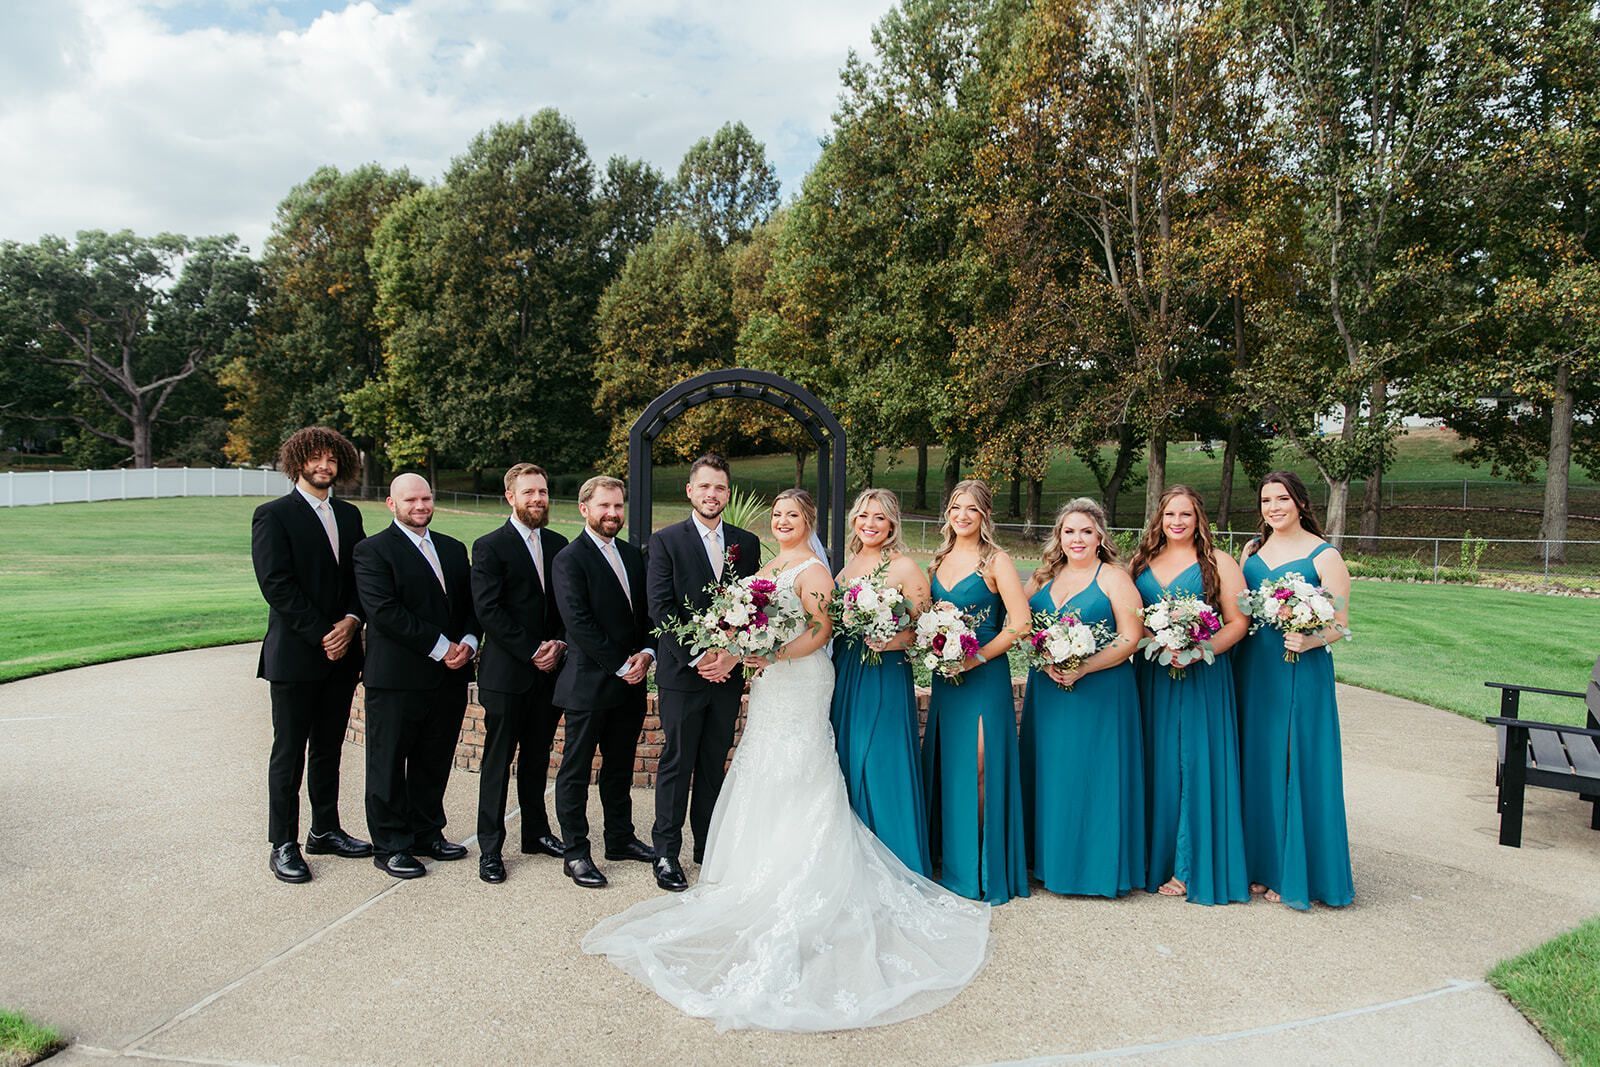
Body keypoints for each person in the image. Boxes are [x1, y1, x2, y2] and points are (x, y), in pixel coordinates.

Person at [583, 489, 990, 1033]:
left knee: (804, 770)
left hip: (801, 680)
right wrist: (736, 642)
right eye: (776, 514)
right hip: (774, 683)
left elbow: (821, 633)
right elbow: (766, 618)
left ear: (810, 521)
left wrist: (769, 651)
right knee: (763, 766)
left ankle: (807, 869)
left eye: (792, 514)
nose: (781, 521)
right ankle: (755, 866)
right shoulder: (774, 563)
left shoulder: (820, 570)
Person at [250, 426, 371, 883]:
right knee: (289, 751)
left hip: (340, 656)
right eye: (315, 459)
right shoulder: (273, 515)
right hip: (296, 655)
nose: (325, 466)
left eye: (332, 459)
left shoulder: (349, 515)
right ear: (297, 462)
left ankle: (325, 830)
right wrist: (325, 632)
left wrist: (353, 621)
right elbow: (276, 585)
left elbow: (362, 578)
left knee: (328, 749)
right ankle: (283, 841)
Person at [1236, 471, 1355, 909]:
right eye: (1266, 500)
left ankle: (1294, 870)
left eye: (1282, 499)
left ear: (1300, 503)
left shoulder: (1325, 556)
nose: (1273, 507)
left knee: (1294, 762)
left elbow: (1340, 624)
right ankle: (1260, 865)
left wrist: (1310, 639)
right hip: (1253, 670)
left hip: (1298, 668)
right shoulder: (1251, 551)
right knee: (1260, 762)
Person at [352, 473, 479, 879]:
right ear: (392, 504)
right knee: (388, 763)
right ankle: (391, 845)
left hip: (449, 678)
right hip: (396, 679)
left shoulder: (454, 549)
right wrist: (444, 648)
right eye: (411, 500)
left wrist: (469, 643)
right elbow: (386, 613)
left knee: (433, 759)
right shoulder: (372, 551)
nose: (420, 506)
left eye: (426, 498)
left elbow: (470, 605)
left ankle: (428, 833)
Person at [1128, 484, 1249, 905]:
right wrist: (1155, 643)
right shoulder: (1142, 562)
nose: (1177, 522)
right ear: (1158, 520)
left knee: (1194, 763)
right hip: (1152, 674)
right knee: (1156, 762)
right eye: (1169, 515)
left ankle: (1188, 866)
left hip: (1201, 675)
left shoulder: (1219, 562)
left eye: (1186, 515)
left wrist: (1199, 650)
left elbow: (1237, 622)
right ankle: (1151, 860)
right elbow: (1130, 616)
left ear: (1199, 519)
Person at [645, 453, 761, 892]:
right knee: (678, 761)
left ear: (727, 494)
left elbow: (756, 607)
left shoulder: (746, 543)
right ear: (690, 491)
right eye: (705, 486)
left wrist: (729, 656)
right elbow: (661, 608)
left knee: (714, 761)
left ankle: (706, 847)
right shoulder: (666, 541)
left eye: (720, 488)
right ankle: (666, 853)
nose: (713, 494)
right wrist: (699, 658)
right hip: (683, 673)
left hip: (728, 673)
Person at [1019, 498, 1145, 898]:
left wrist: (1085, 665)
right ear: (1058, 536)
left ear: (1099, 536)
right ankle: (1050, 862)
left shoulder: (1112, 577)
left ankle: (1093, 869)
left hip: (1100, 693)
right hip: (1050, 691)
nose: (1077, 538)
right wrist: (1043, 655)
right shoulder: (1042, 578)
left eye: (1086, 531)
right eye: (1069, 531)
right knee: (1054, 775)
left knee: (1093, 776)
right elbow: (1021, 625)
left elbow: (1131, 637)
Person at [923, 480, 1031, 905]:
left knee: (983, 764)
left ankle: (984, 865)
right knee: (951, 767)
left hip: (984, 673)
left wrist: (977, 657)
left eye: (971, 509)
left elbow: (1020, 624)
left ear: (985, 515)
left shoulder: (995, 561)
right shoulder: (936, 561)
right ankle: (952, 861)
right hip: (947, 677)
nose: (962, 515)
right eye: (955, 507)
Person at [549, 476, 657, 889]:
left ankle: (620, 838)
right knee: (575, 772)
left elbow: (649, 612)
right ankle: (575, 853)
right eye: (604, 506)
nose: (613, 513)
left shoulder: (633, 556)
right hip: (589, 684)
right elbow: (579, 622)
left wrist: (647, 653)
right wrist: (619, 663)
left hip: (629, 684)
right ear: (585, 509)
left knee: (619, 768)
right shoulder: (569, 558)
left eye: (618, 506)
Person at [470, 463, 569, 884]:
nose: (537, 499)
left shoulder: (559, 543)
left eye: (543, 492)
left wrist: (560, 643)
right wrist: (532, 650)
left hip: (550, 672)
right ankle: (490, 848)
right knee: (498, 761)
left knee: (537, 757)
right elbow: (488, 610)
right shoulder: (489, 546)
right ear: (511, 497)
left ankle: (536, 833)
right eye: (529, 492)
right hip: (507, 674)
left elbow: (569, 604)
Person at [830, 488, 933, 876]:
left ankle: (897, 862)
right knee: (849, 756)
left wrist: (891, 641)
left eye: (879, 517)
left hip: (884, 674)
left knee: (880, 759)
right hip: (847, 670)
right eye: (863, 516)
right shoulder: (848, 565)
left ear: (892, 523)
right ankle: (855, 862)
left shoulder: (905, 566)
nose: (869, 524)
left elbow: (925, 631)